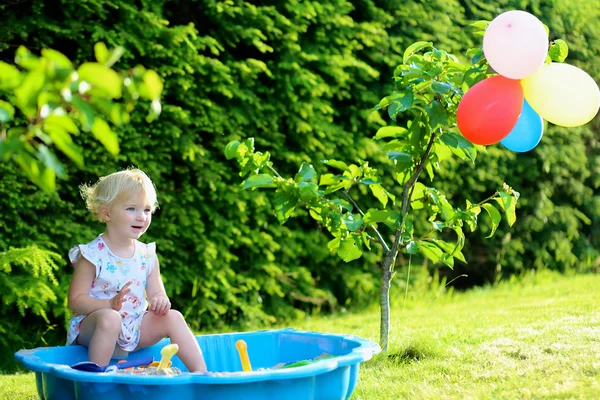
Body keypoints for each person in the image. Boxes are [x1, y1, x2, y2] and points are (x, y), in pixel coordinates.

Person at [66, 168, 207, 372]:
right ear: (107, 213)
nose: (141, 217)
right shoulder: (92, 255)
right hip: (94, 326)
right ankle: (96, 380)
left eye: (147, 210)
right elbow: (75, 301)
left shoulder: (147, 255)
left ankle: (203, 374)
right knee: (111, 317)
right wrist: (108, 304)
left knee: (173, 317)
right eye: (131, 209)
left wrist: (160, 300)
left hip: (133, 326)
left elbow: (157, 291)